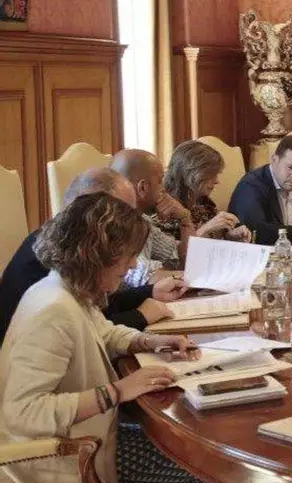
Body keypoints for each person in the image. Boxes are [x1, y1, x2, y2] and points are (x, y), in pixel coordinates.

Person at [0, 193, 292, 483]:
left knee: (225, 464)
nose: (133, 266)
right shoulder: (52, 311)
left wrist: (148, 341)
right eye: (127, 256)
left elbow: (103, 332)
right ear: (98, 254)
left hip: (88, 441)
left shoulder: (66, 290)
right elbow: (22, 413)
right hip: (64, 466)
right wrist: (118, 391)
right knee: (219, 470)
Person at [0, 169, 187, 340]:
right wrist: (139, 316)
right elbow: (84, 334)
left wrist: (150, 292)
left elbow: (95, 308)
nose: (130, 223)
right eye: (121, 215)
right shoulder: (52, 262)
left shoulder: (66, 242)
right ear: (92, 214)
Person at [110, 149, 190, 286]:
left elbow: (182, 258)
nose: (164, 189)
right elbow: (148, 277)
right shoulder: (113, 224)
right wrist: (206, 277)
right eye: (160, 181)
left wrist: (185, 219)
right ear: (142, 188)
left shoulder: (143, 221)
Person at [157, 140, 251, 243]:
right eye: (211, 175)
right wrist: (206, 229)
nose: (217, 181)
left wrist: (229, 236)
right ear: (193, 174)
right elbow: (171, 250)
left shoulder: (203, 201)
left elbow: (211, 239)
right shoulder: (164, 207)